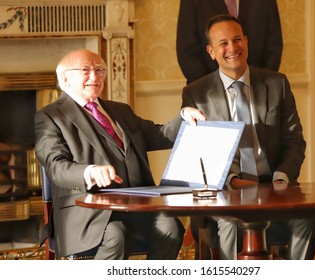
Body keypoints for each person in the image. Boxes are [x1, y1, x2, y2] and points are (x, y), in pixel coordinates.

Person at [34, 49, 205, 260]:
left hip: (136, 205)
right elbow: (55, 166)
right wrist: (89, 171)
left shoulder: (120, 110)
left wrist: (184, 116)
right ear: (65, 78)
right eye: (85, 70)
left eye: (99, 70)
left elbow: (159, 135)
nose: (95, 77)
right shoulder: (51, 116)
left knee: (171, 228)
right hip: (87, 212)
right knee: (116, 235)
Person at [180, 14, 315, 260]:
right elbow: (199, 156)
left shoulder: (277, 83)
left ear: (246, 41)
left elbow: (294, 141)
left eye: (237, 40)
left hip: (273, 187)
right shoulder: (196, 93)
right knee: (231, 223)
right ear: (211, 51)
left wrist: (281, 179)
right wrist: (233, 181)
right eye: (223, 43)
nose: (232, 48)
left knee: (309, 216)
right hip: (226, 192)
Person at [176, 0, 283, 84]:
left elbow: (274, 46)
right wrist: (210, 87)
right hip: (208, 93)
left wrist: (262, 83)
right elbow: (187, 51)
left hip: (260, 89)